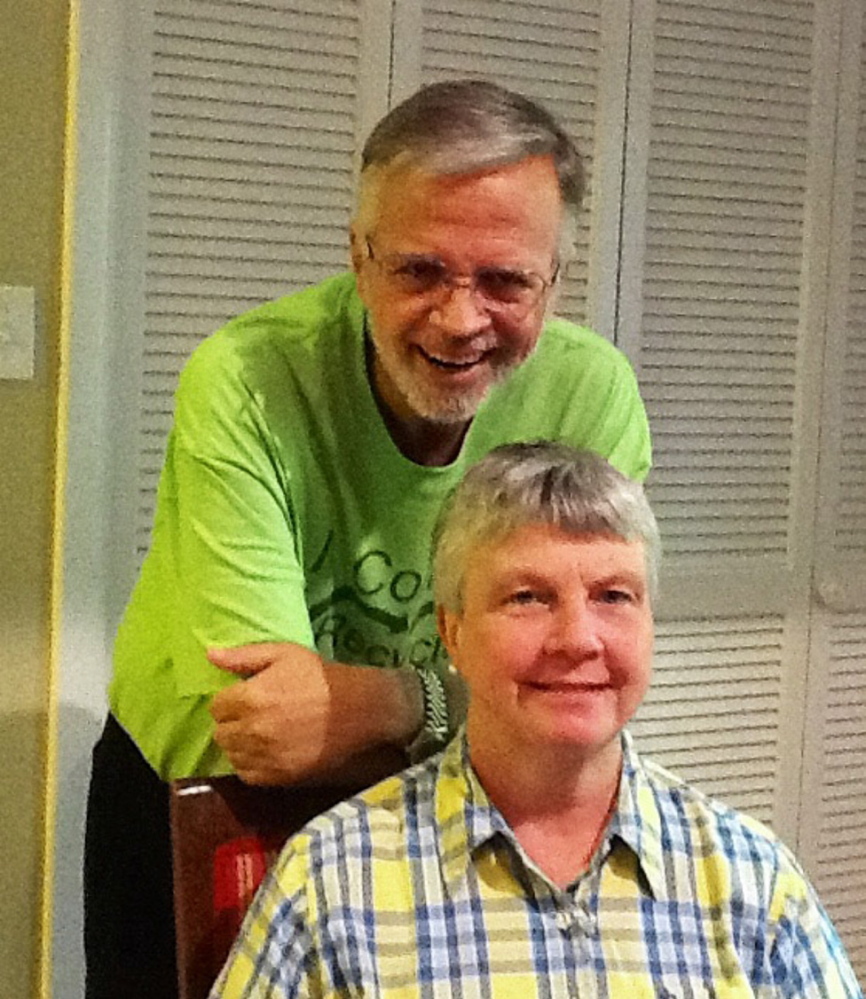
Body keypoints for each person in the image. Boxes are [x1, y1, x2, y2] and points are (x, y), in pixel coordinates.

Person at [85, 80, 652, 997]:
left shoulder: (594, 396)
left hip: (443, 811)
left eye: (506, 280)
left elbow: (569, 697)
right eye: (420, 270)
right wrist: (480, 706)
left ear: (553, 279)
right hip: (197, 795)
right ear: (359, 256)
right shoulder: (245, 379)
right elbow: (270, 736)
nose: (462, 318)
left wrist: (394, 703)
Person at [211, 443, 862, 999]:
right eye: (527, 596)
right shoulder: (329, 883)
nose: (578, 638)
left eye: (614, 596)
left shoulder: (753, 878)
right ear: (453, 631)